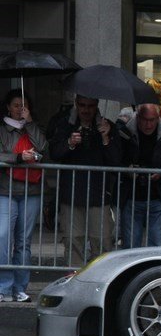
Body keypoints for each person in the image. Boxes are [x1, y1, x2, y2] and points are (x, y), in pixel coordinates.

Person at [49, 95, 121, 266]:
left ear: (97, 105)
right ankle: (75, 278)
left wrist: (106, 138)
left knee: (102, 241)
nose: (86, 109)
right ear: (76, 104)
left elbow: (116, 160)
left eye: (90, 105)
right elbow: (54, 153)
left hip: (99, 194)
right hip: (72, 194)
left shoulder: (107, 126)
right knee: (73, 241)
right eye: (82, 105)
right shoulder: (65, 124)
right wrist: (70, 143)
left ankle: (101, 279)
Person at [0, 89, 47, 302]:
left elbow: (43, 147)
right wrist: (19, 157)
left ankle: (20, 287)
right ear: (8, 107)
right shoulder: (2, 130)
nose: (20, 109)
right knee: (3, 238)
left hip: (31, 191)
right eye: (16, 105)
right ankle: (4, 286)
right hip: (6, 190)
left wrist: (29, 124)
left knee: (24, 242)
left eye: (24, 105)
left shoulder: (33, 126)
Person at [119, 104, 161, 248]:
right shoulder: (126, 133)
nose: (148, 124)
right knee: (130, 248)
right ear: (138, 117)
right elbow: (116, 159)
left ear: (158, 118)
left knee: (156, 246)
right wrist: (128, 170)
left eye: (152, 120)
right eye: (145, 120)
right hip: (131, 197)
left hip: (158, 197)